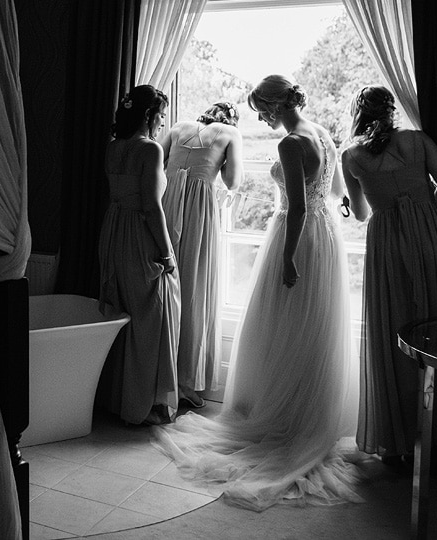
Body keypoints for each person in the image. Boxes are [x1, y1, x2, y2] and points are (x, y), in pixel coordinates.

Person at [152, 75, 364, 510]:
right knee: (309, 331)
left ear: (273, 106)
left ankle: (283, 420)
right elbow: (337, 193)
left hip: (296, 236)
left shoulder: (290, 144)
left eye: (262, 111)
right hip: (326, 240)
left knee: (281, 328)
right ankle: (306, 416)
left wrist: (288, 258)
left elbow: (299, 206)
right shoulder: (322, 133)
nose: (262, 120)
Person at [341, 85, 437, 463]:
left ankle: (398, 441)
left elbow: (361, 214)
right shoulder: (416, 140)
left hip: (388, 246)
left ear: (357, 116)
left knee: (393, 332)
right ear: (393, 111)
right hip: (429, 237)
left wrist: (354, 199)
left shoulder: (351, 156)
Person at [98, 84, 181, 426]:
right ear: (148, 115)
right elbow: (151, 207)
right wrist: (166, 254)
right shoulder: (149, 151)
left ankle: (120, 400)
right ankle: (145, 405)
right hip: (138, 236)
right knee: (152, 318)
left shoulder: (114, 147)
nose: (163, 123)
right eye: (161, 115)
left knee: (123, 314)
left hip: (114, 230)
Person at [160, 101, 243, 411]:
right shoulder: (231, 132)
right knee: (195, 290)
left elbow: (156, 159)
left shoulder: (179, 126)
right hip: (198, 212)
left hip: (167, 204)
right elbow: (233, 181)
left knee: (166, 287)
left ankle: (160, 377)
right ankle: (185, 382)